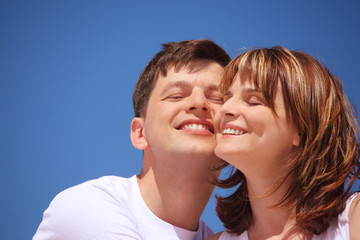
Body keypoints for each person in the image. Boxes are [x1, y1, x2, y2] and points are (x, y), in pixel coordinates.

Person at [33, 39, 231, 240]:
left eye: (217, 98)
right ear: (140, 133)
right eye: (176, 95)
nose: (199, 102)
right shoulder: (86, 205)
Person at [208, 46, 360, 240]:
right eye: (225, 98)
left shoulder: (353, 221)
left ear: (302, 129)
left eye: (253, 101)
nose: (225, 109)